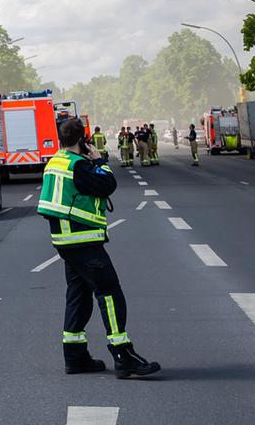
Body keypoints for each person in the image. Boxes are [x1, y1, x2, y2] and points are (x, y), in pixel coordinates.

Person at [38, 117, 161, 379]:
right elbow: (107, 185)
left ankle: (75, 356)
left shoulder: (55, 162)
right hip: (83, 241)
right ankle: (123, 354)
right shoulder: (79, 166)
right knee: (109, 293)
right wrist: (99, 162)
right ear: (82, 139)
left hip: (65, 241)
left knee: (78, 296)